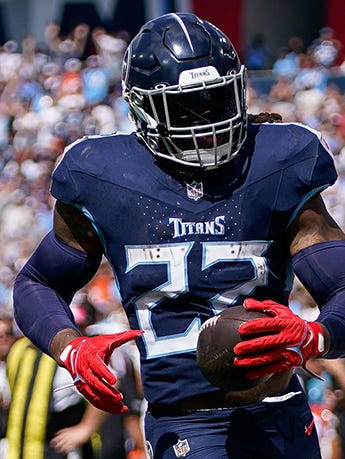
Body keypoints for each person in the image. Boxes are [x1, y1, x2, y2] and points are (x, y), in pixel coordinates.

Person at [12, 12, 345, 459]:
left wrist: (315, 336)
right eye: (188, 105)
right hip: (182, 422)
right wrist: (69, 347)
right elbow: (38, 282)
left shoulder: (278, 161)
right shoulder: (102, 175)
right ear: (142, 107)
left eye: (218, 98)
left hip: (279, 413)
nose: (208, 117)